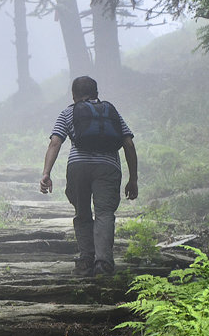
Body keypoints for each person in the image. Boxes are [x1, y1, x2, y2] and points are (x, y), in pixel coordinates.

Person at [40, 76, 138, 277]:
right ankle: (103, 264)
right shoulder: (111, 111)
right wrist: (133, 179)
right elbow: (128, 144)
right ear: (97, 93)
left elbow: (55, 143)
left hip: (78, 166)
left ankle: (86, 259)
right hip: (108, 166)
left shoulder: (69, 111)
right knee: (104, 213)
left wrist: (46, 173)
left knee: (82, 212)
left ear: (74, 95)